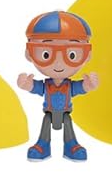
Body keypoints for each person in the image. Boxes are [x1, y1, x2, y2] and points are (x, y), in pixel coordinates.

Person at [16, 11, 98, 161]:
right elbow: (37, 87)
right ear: (29, 54)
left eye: (71, 55)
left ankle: (71, 145)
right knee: (46, 123)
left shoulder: (69, 86)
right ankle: (42, 145)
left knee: (68, 124)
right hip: (49, 112)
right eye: (46, 54)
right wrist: (27, 85)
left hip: (65, 113)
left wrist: (88, 85)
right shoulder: (47, 85)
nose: (59, 63)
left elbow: (79, 88)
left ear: (87, 55)